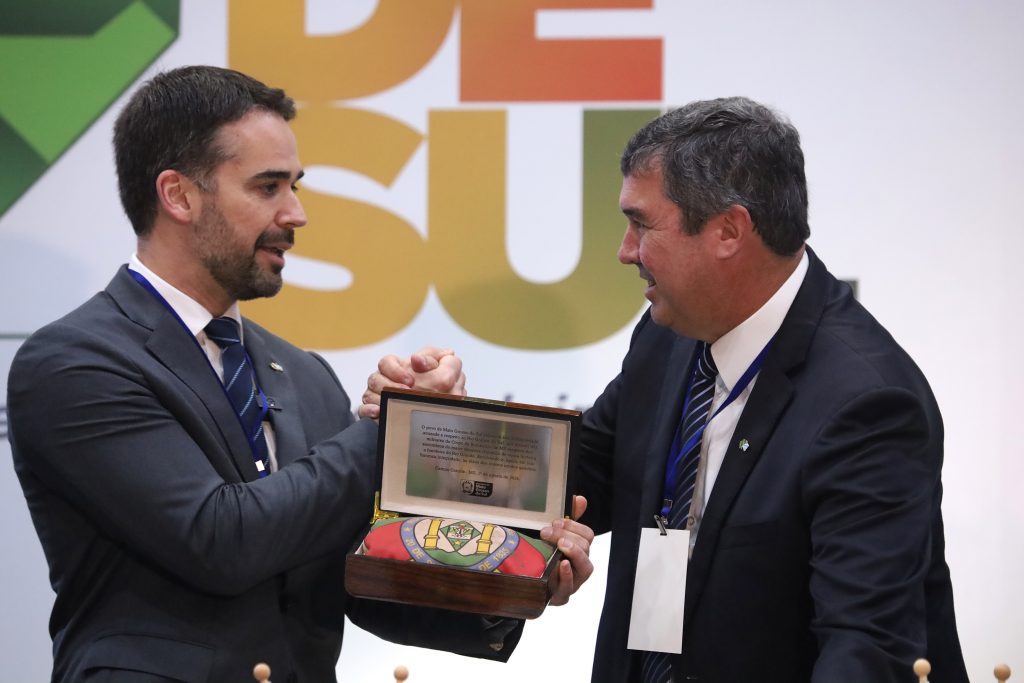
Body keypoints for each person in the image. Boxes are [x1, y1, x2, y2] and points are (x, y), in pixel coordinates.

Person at [6, 65, 593, 683]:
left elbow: (356, 577)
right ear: (177, 195)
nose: (297, 213)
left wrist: (518, 578)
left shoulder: (303, 375)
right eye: (267, 187)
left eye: (296, 185)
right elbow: (220, 540)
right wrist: (393, 427)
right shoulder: (76, 363)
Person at [364, 97, 968, 682]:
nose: (625, 253)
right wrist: (431, 428)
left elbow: (867, 647)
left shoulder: (868, 402)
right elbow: (578, 478)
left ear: (729, 230)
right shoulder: (669, 335)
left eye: (640, 225)